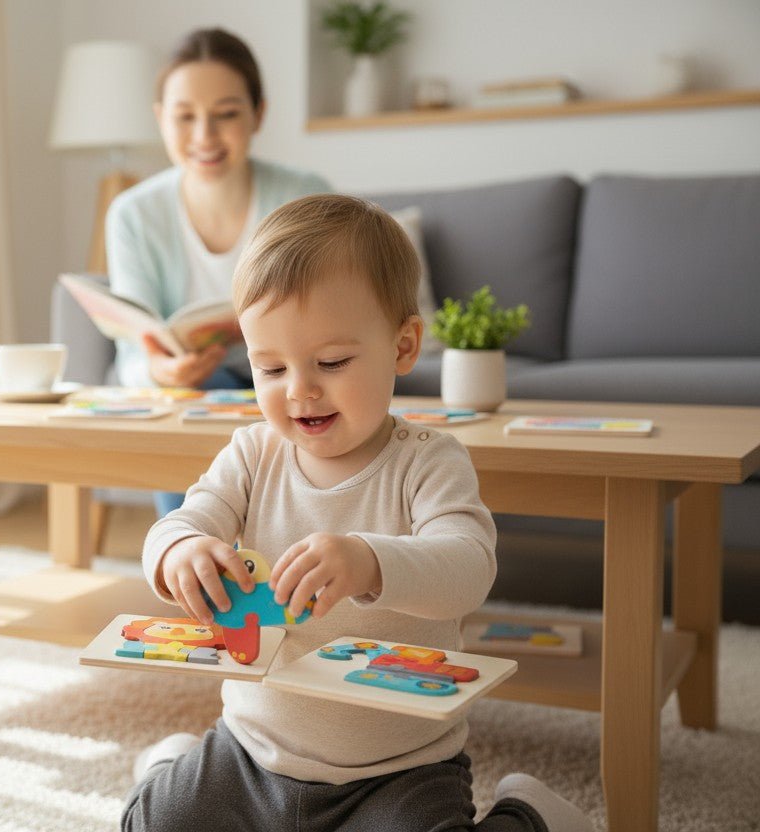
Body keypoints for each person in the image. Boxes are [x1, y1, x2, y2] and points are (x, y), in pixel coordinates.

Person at [122, 194, 592, 832]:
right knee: (155, 822)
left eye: (332, 362)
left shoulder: (428, 461)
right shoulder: (252, 454)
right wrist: (179, 552)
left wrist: (371, 562)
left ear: (403, 347)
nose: (300, 389)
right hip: (254, 752)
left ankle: (531, 811)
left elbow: (469, 567)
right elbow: (181, 523)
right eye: (270, 367)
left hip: (399, 770)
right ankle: (167, 766)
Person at [104, 28, 331, 517]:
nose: (204, 136)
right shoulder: (133, 214)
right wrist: (160, 371)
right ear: (161, 119)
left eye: (226, 114)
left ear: (258, 114)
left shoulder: (305, 196)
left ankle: (202, 542)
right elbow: (132, 349)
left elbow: (330, 314)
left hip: (289, 378)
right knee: (185, 395)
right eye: (185, 117)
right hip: (187, 390)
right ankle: (191, 545)